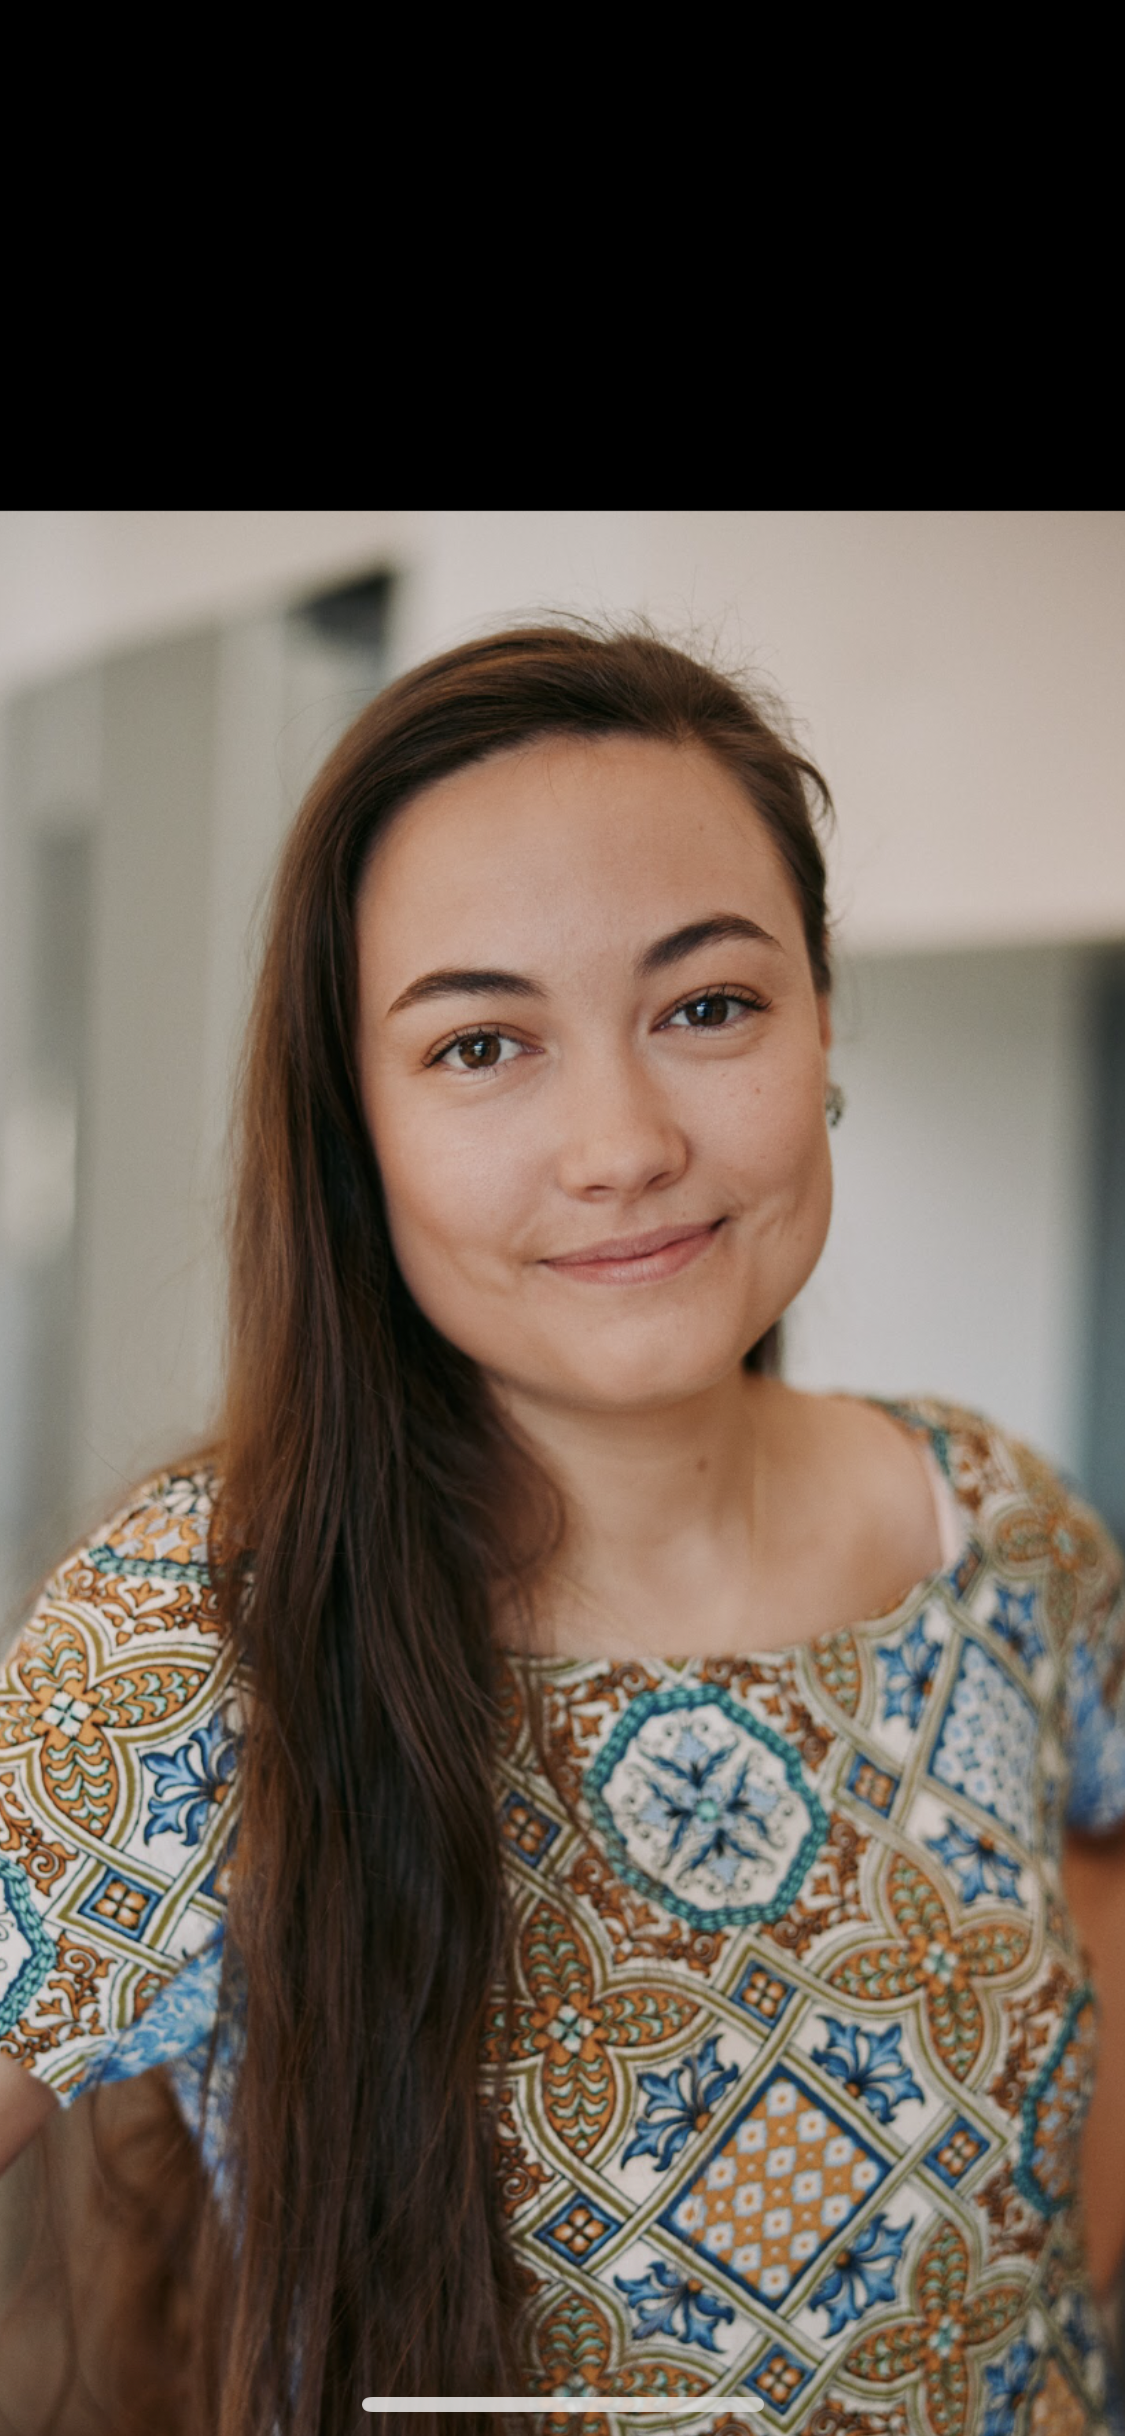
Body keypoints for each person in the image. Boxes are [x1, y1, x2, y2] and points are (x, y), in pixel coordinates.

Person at [0, 623, 1123, 2436]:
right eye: (481, 1045)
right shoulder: (195, 1634)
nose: (618, 1144)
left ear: (822, 1020)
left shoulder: (993, 1528)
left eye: (706, 1007)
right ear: (354, 1128)